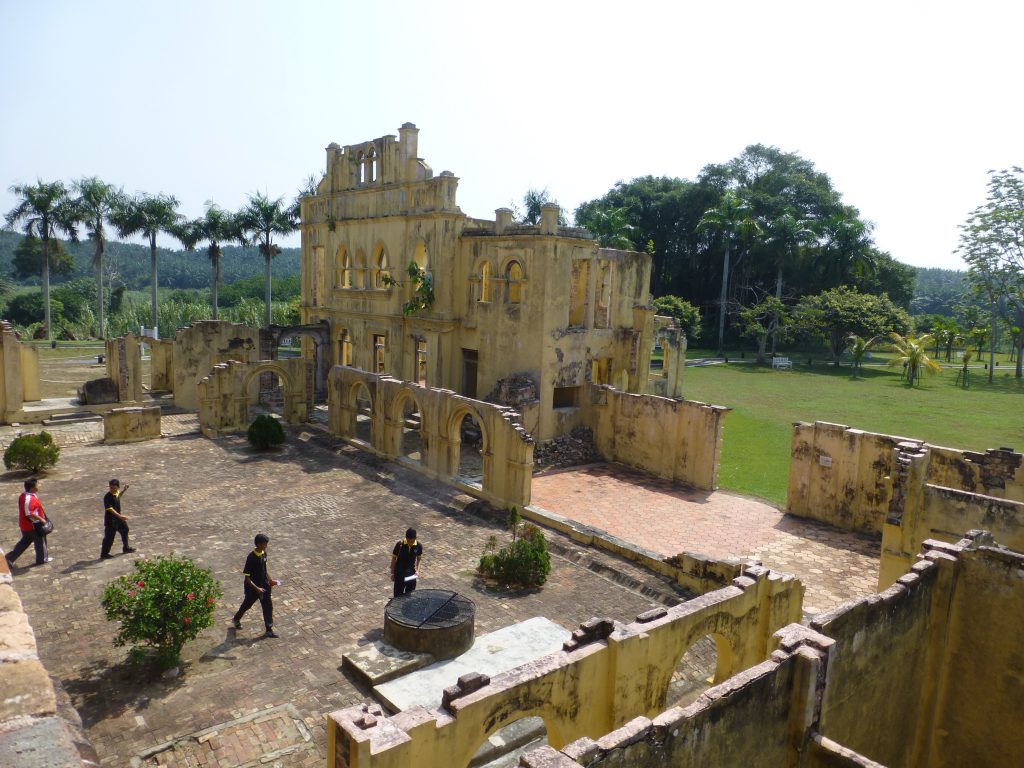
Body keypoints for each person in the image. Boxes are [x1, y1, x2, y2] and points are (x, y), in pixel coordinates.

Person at [232, 533, 278, 637]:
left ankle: (269, 629)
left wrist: (270, 580)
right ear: (258, 544)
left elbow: (264, 570)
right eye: (264, 544)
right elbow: (247, 578)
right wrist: (257, 588)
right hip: (252, 588)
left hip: (264, 585)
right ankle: (236, 618)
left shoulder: (264, 553)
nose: (266, 546)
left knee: (268, 606)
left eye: (266, 544)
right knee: (247, 605)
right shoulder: (251, 558)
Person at [5, 478, 51, 568]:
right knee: (40, 542)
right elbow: (29, 513)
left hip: (25, 525)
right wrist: (42, 520)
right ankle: (42, 559)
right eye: (37, 485)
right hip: (32, 526)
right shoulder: (29, 498)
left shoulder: (24, 495)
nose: (39, 486)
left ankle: (8, 558)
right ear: (32, 488)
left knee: (24, 542)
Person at [100, 479, 135, 560]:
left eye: (114, 488)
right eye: (111, 488)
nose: (112, 489)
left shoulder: (116, 493)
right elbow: (110, 510)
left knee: (125, 529)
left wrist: (124, 490)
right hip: (111, 521)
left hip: (118, 520)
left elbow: (118, 496)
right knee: (109, 538)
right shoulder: (107, 497)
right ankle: (104, 554)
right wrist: (120, 517)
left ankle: (126, 547)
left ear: (117, 487)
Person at [390, 527, 422, 597]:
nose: (410, 543)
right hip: (399, 575)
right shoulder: (400, 545)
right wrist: (392, 573)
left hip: (411, 575)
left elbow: (419, 559)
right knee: (397, 597)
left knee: (410, 596)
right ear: (406, 538)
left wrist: (417, 570)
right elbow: (393, 559)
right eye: (408, 541)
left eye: (412, 541)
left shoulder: (419, 546)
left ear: (415, 538)